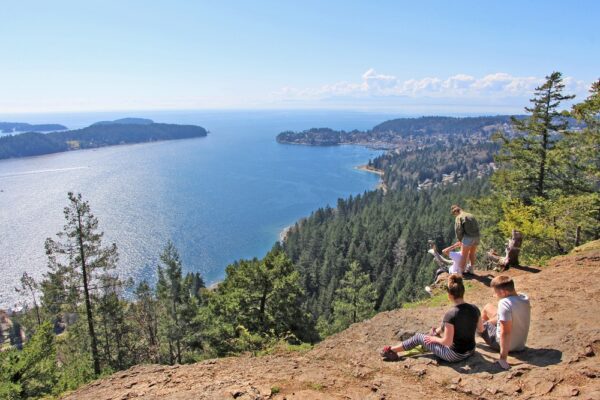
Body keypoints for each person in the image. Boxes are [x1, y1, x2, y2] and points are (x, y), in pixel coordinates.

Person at [381, 275, 481, 363]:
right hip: (471, 350)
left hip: (455, 355)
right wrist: (437, 332)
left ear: (450, 295)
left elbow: (447, 342)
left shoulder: (451, 314)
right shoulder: (474, 308)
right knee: (437, 332)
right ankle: (395, 350)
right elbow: (480, 329)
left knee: (418, 337)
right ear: (462, 292)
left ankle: (392, 350)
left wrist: (433, 338)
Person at [478, 275, 530, 370]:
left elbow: (505, 333)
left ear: (503, 292)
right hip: (520, 344)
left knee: (477, 323)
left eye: (496, 293)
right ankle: (487, 325)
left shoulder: (504, 303)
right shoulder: (524, 298)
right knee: (488, 307)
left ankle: (478, 331)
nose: (495, 295)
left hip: (507, 345)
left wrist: (503, 359)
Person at [451, 204, 480, 274]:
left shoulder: (459, 217)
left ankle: (460, 272)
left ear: (456, 212)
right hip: (476, 236)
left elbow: (458, 230)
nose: (455, 215)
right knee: (472, 253)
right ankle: (472, 270)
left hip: (468, 237)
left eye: (454, 214)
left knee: (464, 255)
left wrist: (460, 240)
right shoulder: (471, 215)